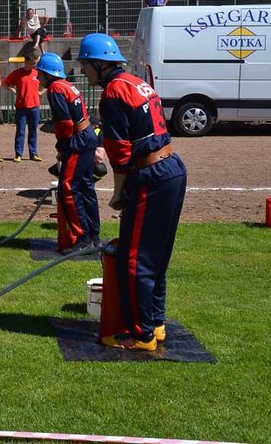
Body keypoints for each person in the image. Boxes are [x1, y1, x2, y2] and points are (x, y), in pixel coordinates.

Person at [78, 33, 187, 351]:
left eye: (85, 64)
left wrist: (118, 192)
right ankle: (156, 323)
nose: (83, 71)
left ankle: (141, 335)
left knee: (134, 259)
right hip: (172, 168)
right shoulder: (138, 83)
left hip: (151, 174)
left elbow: (119, 148)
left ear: (99, 64)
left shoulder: (113, 92)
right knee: (157, 255)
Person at [35, 52, 100, 253]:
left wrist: (62, 148)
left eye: (40, 73)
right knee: (86, 187)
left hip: (77, 141)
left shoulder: (55, 89)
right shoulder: (67, 85)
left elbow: (64, 123)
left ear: (48, 74)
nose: (37, 77)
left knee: (68, 188)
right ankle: (94, 235)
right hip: (87, 135)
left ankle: (83, 238)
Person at [3, 47, 45, 162]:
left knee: (33, 131)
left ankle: (33, 153)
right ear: (26, 62)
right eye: (33, 63)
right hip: (21, 107)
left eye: (36, 63)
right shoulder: (17, 73)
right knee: (20, 131)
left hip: (35, 106)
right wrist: (13, 91)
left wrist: (41, 92)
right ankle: (18, 154)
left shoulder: (38, 72)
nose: (35, 65)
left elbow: (48, 83)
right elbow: (5, 83)